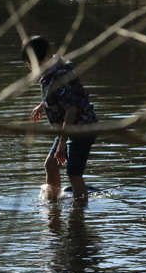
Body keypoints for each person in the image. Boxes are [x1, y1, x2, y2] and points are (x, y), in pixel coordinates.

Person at [22, 36, 98, 203]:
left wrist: (62, 143)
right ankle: (54, 203)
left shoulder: (59, 76)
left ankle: (79, 213)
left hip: (81, 128)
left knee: (74, 173)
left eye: (30, 63)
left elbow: (71, 109)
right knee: (50, 164)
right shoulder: (52, 69)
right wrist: (42, 105)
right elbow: (60, 98)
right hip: (67, 128)